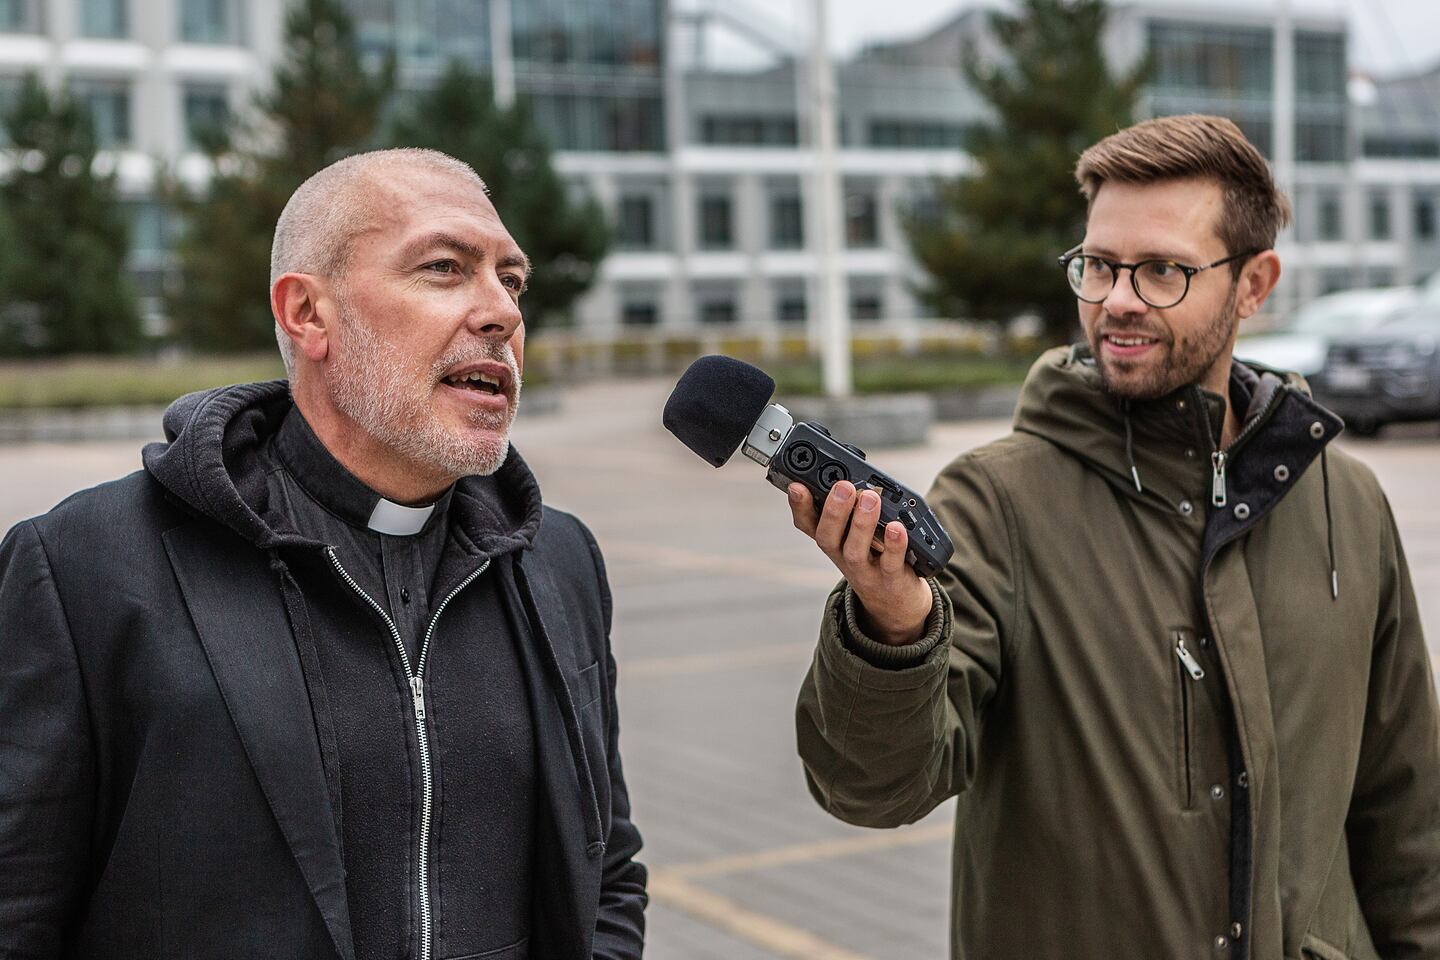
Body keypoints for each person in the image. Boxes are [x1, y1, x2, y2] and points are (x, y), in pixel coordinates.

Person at [789, 116, 1440, 959]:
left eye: (1163, 269)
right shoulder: (996, 501)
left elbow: (1408, 817)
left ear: (1254, 284)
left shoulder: (1342, 502)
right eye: (1099, 265)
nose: (1118, 299)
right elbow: (871, 786)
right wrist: (891, 629)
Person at [0, 148, 646, 960]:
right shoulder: (83, 568)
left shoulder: (560, 561)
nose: (501, 314)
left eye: (512, 281)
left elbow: (606, 872)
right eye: (446, 268)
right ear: (308, 313)